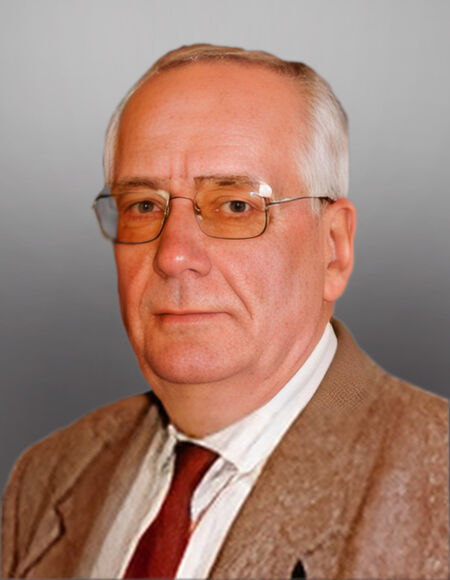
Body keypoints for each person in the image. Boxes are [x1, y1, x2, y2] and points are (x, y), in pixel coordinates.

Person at [1, 44, 448, 580]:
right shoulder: (47, 476)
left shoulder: (435, 484)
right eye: (144, 206)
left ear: (333, 249)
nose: (174, 256)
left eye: (235, 206)